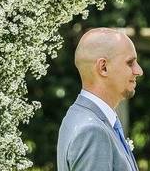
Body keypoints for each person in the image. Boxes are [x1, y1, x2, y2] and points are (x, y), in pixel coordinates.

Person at [57, 28, 144, 171]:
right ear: (103, 67)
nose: (139, 71)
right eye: (130, 63)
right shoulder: (91, 130)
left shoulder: (79, 117)